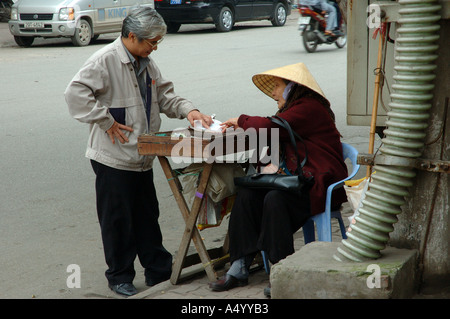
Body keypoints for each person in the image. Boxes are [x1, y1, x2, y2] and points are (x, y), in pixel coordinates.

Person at [65, 7, 212, 297]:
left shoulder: (146, 62)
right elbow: (74, 94)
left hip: (142, 155)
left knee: (147, 215)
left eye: (157, 42)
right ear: (132, 37)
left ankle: (158, 269)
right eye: (151, 42)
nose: (154, 47)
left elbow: (166, 96)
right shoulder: (105, 60)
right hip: (113, 157)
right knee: (118, 219)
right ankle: (119, 276)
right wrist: (106, 120)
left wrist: (189, 110)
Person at [209, 63, 348, 295]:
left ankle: (282, 268)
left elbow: (267, 127)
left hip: (319, 185)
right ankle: (239, 264)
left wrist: (241, 120)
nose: (273, 92)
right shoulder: (294, 108)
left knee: (275, 199)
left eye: (277, 86)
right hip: (296, 180)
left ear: (292, 87)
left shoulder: (309, 108)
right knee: (248, 193)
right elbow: (271, 135)